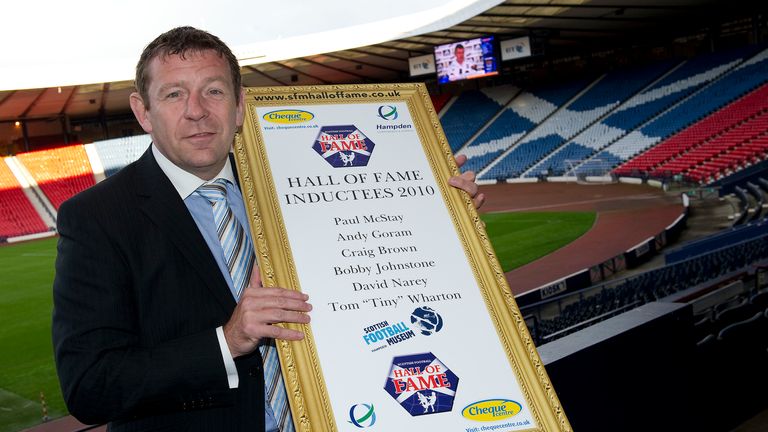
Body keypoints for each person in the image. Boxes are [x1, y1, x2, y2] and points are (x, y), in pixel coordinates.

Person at [52, 26, 485, 432]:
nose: (197, 111)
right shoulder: (96, 219)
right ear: (143, 112)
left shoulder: (298, 182)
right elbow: (90, 387)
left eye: (214, 91)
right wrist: (228, 341)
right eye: (174, 94)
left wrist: (440, 219)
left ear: (240, 106)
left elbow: (371, 264)